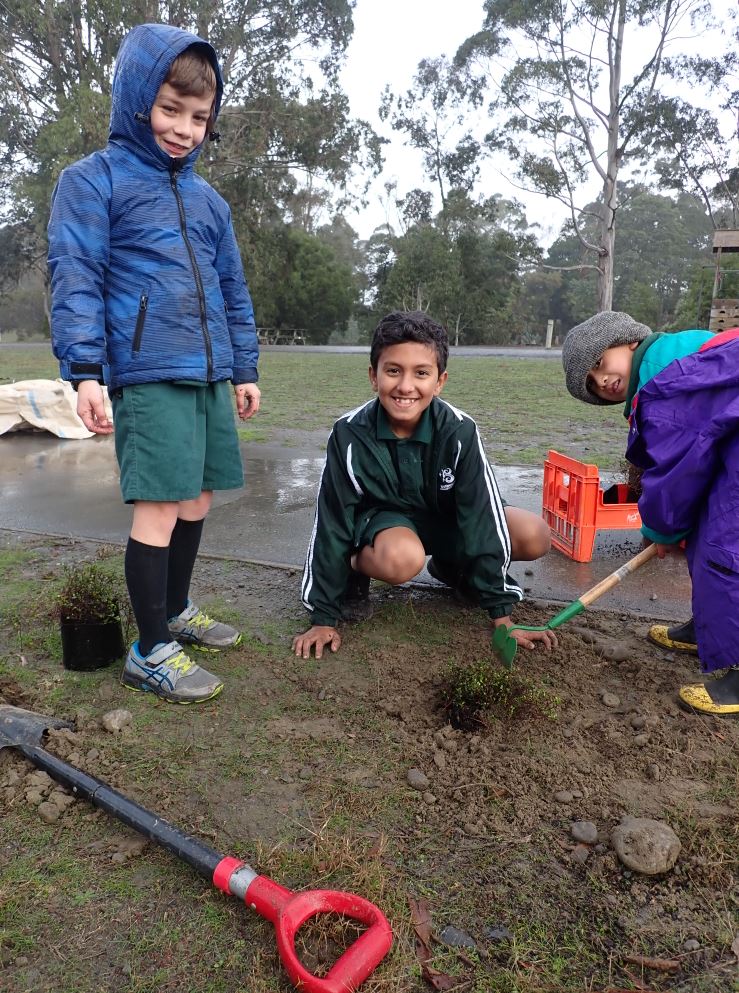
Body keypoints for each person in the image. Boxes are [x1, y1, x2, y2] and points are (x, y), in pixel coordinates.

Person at [49, 23, 260, 704]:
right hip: (146, 371)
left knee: (197, 496)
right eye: (171, 109)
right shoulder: (93, 180)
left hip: (207, 372)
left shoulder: (210, 202)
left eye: (199, 117)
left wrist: (243, 366)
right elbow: (75, 273)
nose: (184, 129)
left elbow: (232, 288)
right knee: (160, 504)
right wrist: (84, 371)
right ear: (137, 99)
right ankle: (150, 649)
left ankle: (175, 609)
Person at [292, 310, 555, 660]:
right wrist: (323, 616)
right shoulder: (349, 433)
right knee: (404, 560)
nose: (405, 386)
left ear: (440, 381)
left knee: (534, 534)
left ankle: (456, 570)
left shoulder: (460, 431)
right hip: (388, 528)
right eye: (393, 371)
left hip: (447, 520)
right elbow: (331, 520)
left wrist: (501, 616)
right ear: (373, 376)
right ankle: (353, 570)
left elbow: (482, 516)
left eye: (421, 373)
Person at [562, 310, 739, 717]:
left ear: (627, 342)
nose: (602, 381)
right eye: (593, 384)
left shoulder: (661, 380)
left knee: (727, 548)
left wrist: (658, 526)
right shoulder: (674, 349)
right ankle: (709, 630)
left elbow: (676, 468)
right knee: (705, 539)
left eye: (599, 364)